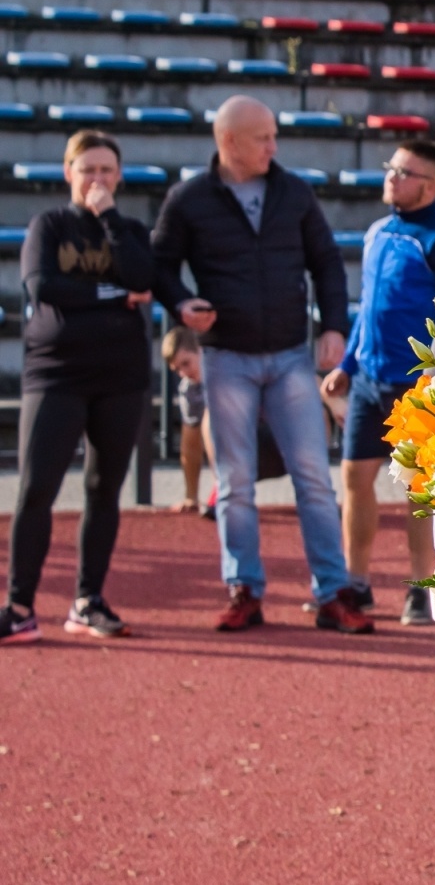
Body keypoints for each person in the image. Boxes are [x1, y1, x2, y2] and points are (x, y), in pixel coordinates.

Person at [150, 94, 371, 635]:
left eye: (274, 135)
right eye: (263, 138)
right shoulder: (188, 199)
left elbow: (326, 263)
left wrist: (334, 328)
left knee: (314, 479)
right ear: (228, 142)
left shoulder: (293, 191)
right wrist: (181, 303)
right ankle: (243, 589)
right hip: (226, 359)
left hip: (292, 357)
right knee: (235, 484)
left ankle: (332, 592)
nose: (274, 146)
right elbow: (159, 263)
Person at [1, 130, 154, 644]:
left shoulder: (128, 227)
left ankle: (88, 600)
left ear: (119, 176)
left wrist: (108, 216)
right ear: (68, 173)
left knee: (103, 490)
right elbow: (43, 287)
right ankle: (19, 606)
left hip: (121, 377)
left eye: (106, 170)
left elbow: (143, 276)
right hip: (56, 373)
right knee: (36, 489)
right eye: (87, 169)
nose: (97, 179)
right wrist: (114, 294)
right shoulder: (49, 225)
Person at [320, 139, 435, 625]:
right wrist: (347, 363)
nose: (392, 177)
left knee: (418, 493)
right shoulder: (378, 231)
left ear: (432, 185)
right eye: (391, 168)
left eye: (404, 172)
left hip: (416, 387)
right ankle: (355, 584)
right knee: (354, 480)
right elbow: (368, 305)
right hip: (367, 379)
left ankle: (420, 590)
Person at [161, 326, 211, 516]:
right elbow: (190, 446)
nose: (183, 373)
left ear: (200, 350)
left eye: (186, 363)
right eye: (177, 369)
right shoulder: (189, 389)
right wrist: (191, 497)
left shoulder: (226, 375)